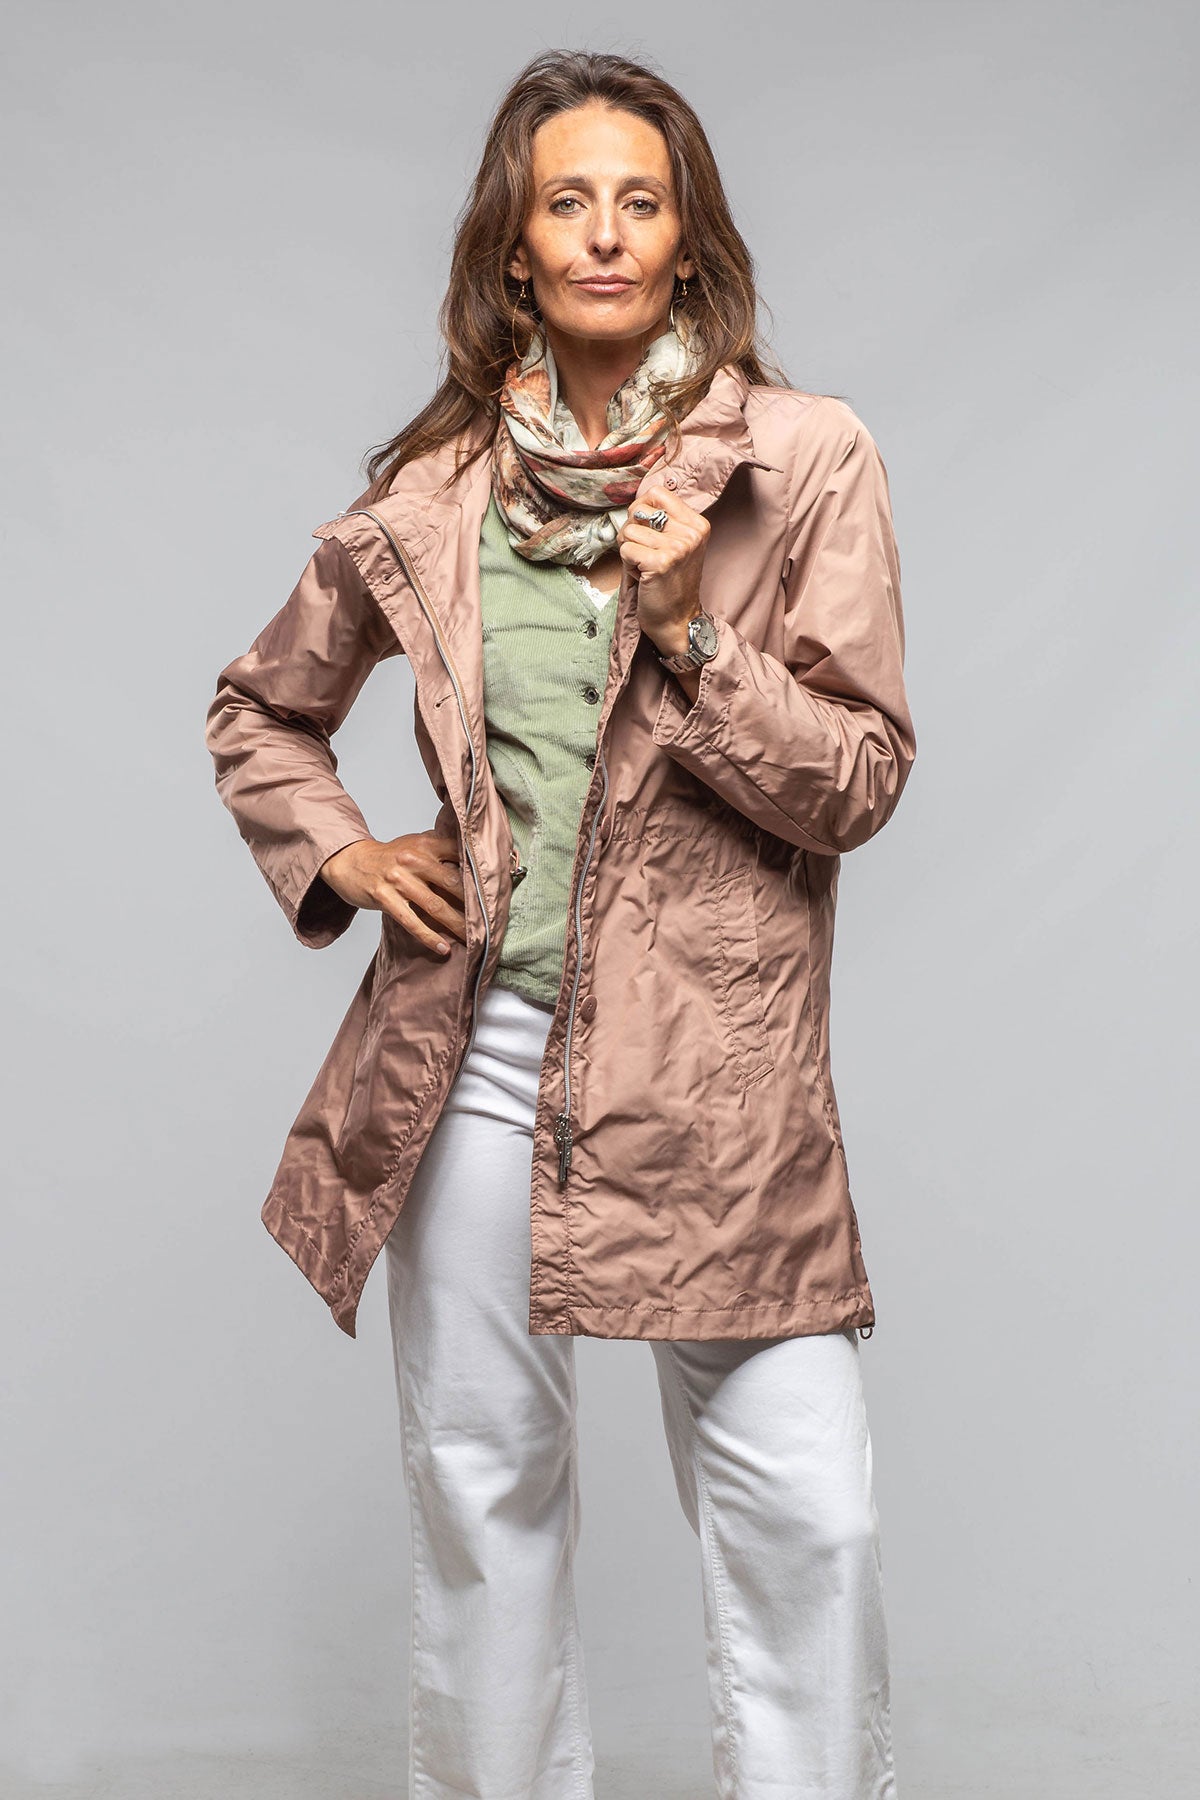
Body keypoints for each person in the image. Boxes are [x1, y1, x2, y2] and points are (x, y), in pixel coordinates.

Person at [205, 47, 915, 1800]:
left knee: (807, 1520)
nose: (606, 232)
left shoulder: (803, 457)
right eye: (568, 201)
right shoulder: (436, 493)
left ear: (689, 238)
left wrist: (688, 634)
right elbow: (262, 709)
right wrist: (344, 854)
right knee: (484, 1497)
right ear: (514, 248)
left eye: (640, 201)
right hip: (474, 1063)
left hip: (721, 1081)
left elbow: (857, 778)